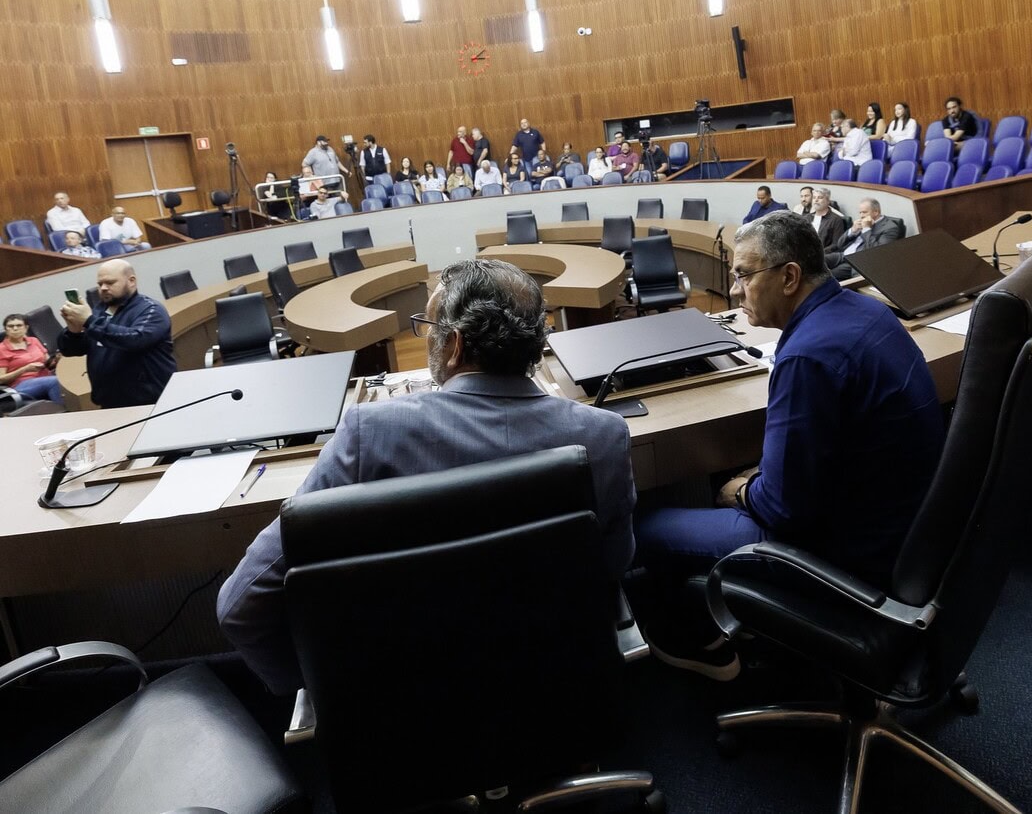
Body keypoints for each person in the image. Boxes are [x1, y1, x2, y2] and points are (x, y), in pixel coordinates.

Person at [216, 259, 638, 695]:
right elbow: (613, 564)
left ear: (453, 345)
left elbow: (239, 606)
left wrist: (321, 691)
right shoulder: (603, 436)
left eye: (429, 326)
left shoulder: (371, 436)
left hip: (410, 714)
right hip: (560, 690)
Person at [634, 212, 944, 678]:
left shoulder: (806, 357)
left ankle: (703, 646)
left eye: (742, 275)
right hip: (911, 531)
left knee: (647, 525)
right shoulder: (868, 311)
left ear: (790, 277)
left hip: (845, 554)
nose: (735, 291)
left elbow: (782, 510)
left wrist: (739, 489)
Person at [58, 258, 176, 409]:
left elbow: (135, 339)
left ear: (131, 281)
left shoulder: (151, 310)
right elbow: (71, 350)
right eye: (100, 284)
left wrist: (89, 320)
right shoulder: (99, 311)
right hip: (110, 403)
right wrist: (73, 331)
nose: (104, 288)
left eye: (110, 283)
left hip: (151, 403)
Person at [825, 197, 906, 278]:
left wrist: (867, 229)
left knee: (828, 276)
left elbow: (878, 251)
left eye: (864, 212)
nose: (861, 216)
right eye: (860, 213)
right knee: (816, 261)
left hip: (857, 261)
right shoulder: (861, 223)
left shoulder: (890, 227)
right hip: (843, 255)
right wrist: (852, 230)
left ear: (876, 212)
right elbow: (840, 244)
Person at [0, 313, 61, 404]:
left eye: (19, 325)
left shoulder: (34, 341)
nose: (15, 329)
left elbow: (48, 363)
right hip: (20, 385)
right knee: (55, 381)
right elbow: (1, 379)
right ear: (6, 329)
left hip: (45, 377)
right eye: (11, 326)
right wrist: (25, 369)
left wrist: (56, 360)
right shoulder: (2, 349)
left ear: (26, 328)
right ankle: (66, 413)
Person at [803, 187, 847, 257]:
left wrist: (819, 252)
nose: (816, 200)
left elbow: (836, 244)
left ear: (828, 201)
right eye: (814, 198)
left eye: (820, 197)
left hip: (823, 256)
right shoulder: (806, 218)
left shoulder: (836, 220)